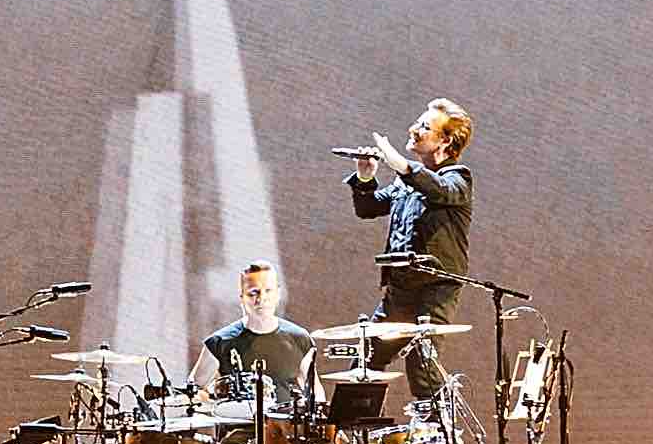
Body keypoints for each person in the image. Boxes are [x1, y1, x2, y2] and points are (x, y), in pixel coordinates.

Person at [347, 100, 474, 398]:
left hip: (435, 290)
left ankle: (439, 436)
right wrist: (365, 176)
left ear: (445, 140)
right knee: (364, 364)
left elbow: (438, 189)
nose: (414, 130)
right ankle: (353, 438)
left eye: (424, 127)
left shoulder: (458, 177)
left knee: (422, 364)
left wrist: (400, 164)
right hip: (399, 291)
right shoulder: (405, 184)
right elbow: (367, 208)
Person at [191, 261, 319, 401]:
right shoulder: (219, 342)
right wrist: (210, 403)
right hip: (237, 422)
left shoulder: (300, 338)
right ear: (242, 298)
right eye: (253, 293)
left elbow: (315, 392)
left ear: (278, 294)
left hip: (285, 423)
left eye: (268, 291)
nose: (261, 299)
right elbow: (192, 392)